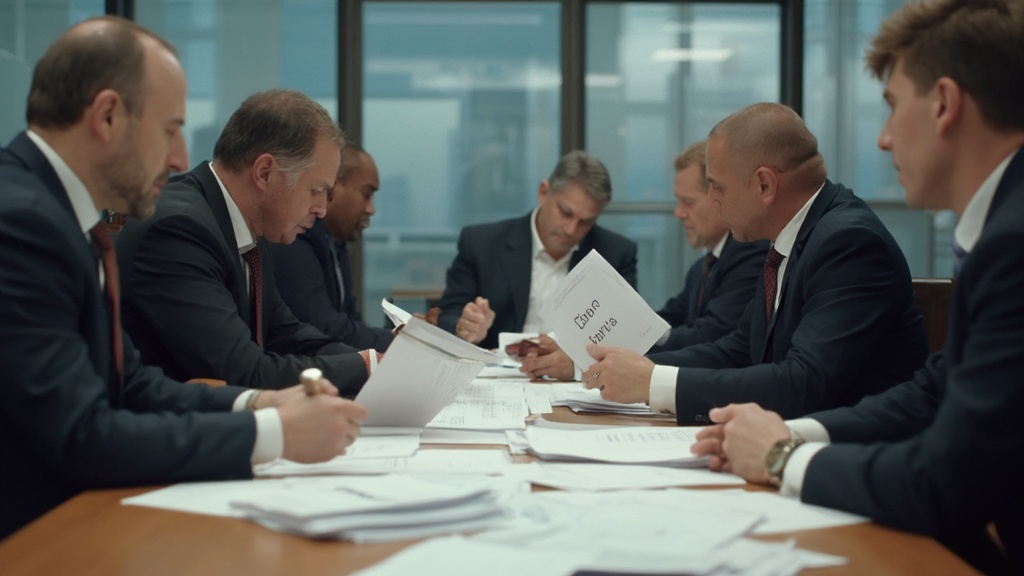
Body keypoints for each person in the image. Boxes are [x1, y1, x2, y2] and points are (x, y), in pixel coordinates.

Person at [0, 16, 366, 540]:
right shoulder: (21, 223)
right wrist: (271, 433)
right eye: (169, 129)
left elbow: (130, 383)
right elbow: (82, 436)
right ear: (107, 116)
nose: (179, 158)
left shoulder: (55, 215)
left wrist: (259, 403)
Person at [692, 1, 1024, 572]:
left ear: (944, 103)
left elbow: (947, 482)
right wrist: (786, 434)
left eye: (892, 106)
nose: (884, 140)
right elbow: (934, 390)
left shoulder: (1011, 245)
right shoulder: (1000, 229)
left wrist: (781, 456)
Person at [582, 102, 928, 423]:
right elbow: (740, 350)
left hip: (850, 452)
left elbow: (804, 383)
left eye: (717, 187)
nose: (712, 201)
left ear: (764, 184)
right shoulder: (793, 238)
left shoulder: (848, 243)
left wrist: (654, 381)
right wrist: (636, 370)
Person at [116, 89, 371, 395]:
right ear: (265, 173)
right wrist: (366, 368)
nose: (321, 210)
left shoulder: (247, 229)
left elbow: (287, 335)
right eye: (316, 190)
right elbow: (243, 371)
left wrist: (373, 361)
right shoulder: (179, 231)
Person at [518, 141, 768, 379]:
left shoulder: (750, 254)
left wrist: (590, 358)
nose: (678, 213)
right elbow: (663, 321)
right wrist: (578, 344)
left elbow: (711, 336)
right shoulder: (701, 268)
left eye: (688, 202)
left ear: (719, 196)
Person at [436, 150, 638, 350]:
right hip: (495, 365)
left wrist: (573, 363)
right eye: (565, 213)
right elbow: (448, 314)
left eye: (585, 222)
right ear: (543, 192)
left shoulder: (615, 255)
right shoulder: (482, 244)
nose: (571, 229)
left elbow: (624, 335)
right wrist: (464, 327)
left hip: (573, 370)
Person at [268, 143, 394, 351]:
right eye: (367, 194)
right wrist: (393, 339)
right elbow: (323, 326)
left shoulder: (337, 246)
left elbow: (351, 320)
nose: (371, 209)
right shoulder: (295, 238)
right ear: (333, 189)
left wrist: (395, 336)